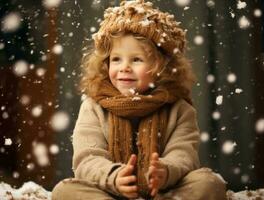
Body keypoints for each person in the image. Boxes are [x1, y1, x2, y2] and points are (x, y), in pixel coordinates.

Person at [52, 0, 227, 199]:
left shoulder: (179, 109)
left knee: (209, 182)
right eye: (116, 59)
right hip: (110, 192)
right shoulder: (94, 107)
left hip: (163, 191)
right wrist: (115, 177)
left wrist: (165, 171)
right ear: (105, 62)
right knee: (65, 190)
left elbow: (184, 155)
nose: (124, 67)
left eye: (136, 59)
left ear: (162, 67)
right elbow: (88, 159)